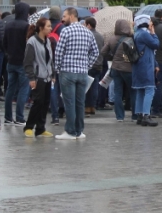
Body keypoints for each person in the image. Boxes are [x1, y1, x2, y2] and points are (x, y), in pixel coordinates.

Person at [54, 8, 99, 140]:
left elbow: (59, 52)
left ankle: (70, 131)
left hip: (67, 71)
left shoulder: (66, 31)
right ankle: (79, 131)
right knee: (80, 103)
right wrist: (87, 65)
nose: (62, 19)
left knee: (69, 102)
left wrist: (58, 68)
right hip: (82, 73)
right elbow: (95, 52)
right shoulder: (88, 32)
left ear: (72, 16)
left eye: (64, 16)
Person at [24, 17, 55, 137]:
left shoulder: (47, 41)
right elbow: (28, 62)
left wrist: (53, 74)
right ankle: (29, 126)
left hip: (47, 76)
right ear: (41, 28)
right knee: (37, 102)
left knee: (45, 103)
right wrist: (31, 78)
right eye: (48, 26)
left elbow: (50, 59)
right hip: (38, 77)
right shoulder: (32, 42)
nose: (50, 28)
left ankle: (40, 128)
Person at [2, 2, 31, 126]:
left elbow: (4, 43)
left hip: (11, 61)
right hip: (23, 62)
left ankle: (8, 117)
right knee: (23, 89)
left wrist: (8, 54)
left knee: (10, 89)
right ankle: (19, 117)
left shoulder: (8, 25)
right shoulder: (26, 26)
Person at [102, 18, 134, 122]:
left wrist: (111, 57)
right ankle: (135, 115)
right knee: (133, 91)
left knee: (118, 92)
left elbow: (103, 52)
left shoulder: (112, 39)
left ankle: (120, 116)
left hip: (115, 68)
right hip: (129, 68)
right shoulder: (131, 39)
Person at [131, 13, 160, 127]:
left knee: (140, 91)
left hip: (138, 65)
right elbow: (156, 44)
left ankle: (139, 114)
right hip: (146, 66)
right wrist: (153, 34)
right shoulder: (144, 34)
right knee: (149, 90)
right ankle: (146, 115)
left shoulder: (137, 33)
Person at [83, 17, 105, 117]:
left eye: (84, 24)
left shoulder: (87, 35)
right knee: (95, 86)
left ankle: (87, 107)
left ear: (88, 25)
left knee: (87, 87)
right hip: (99, 64)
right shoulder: (100, 36)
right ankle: (93, 106)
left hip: (90, 64)